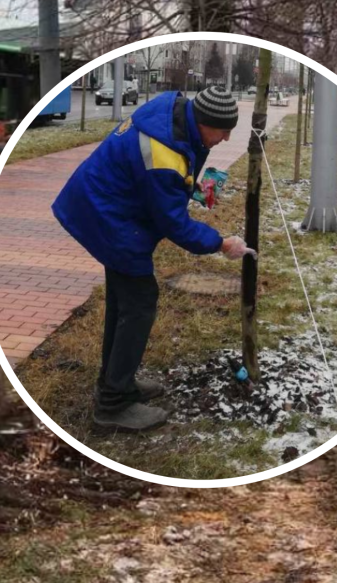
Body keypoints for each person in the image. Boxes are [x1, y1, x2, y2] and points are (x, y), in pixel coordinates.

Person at [52, 86, 255, 432]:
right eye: (222, 131)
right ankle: (113, 405)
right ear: (203, 121)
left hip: (106, 204)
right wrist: (222, 243)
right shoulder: (163, 153)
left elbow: (165, 173)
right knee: (140, 301)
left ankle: (116, 382)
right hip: (109, 216)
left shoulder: (172, 111)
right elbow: (173, 223)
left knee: (124, 301)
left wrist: (188, 185)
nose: (225, 139)